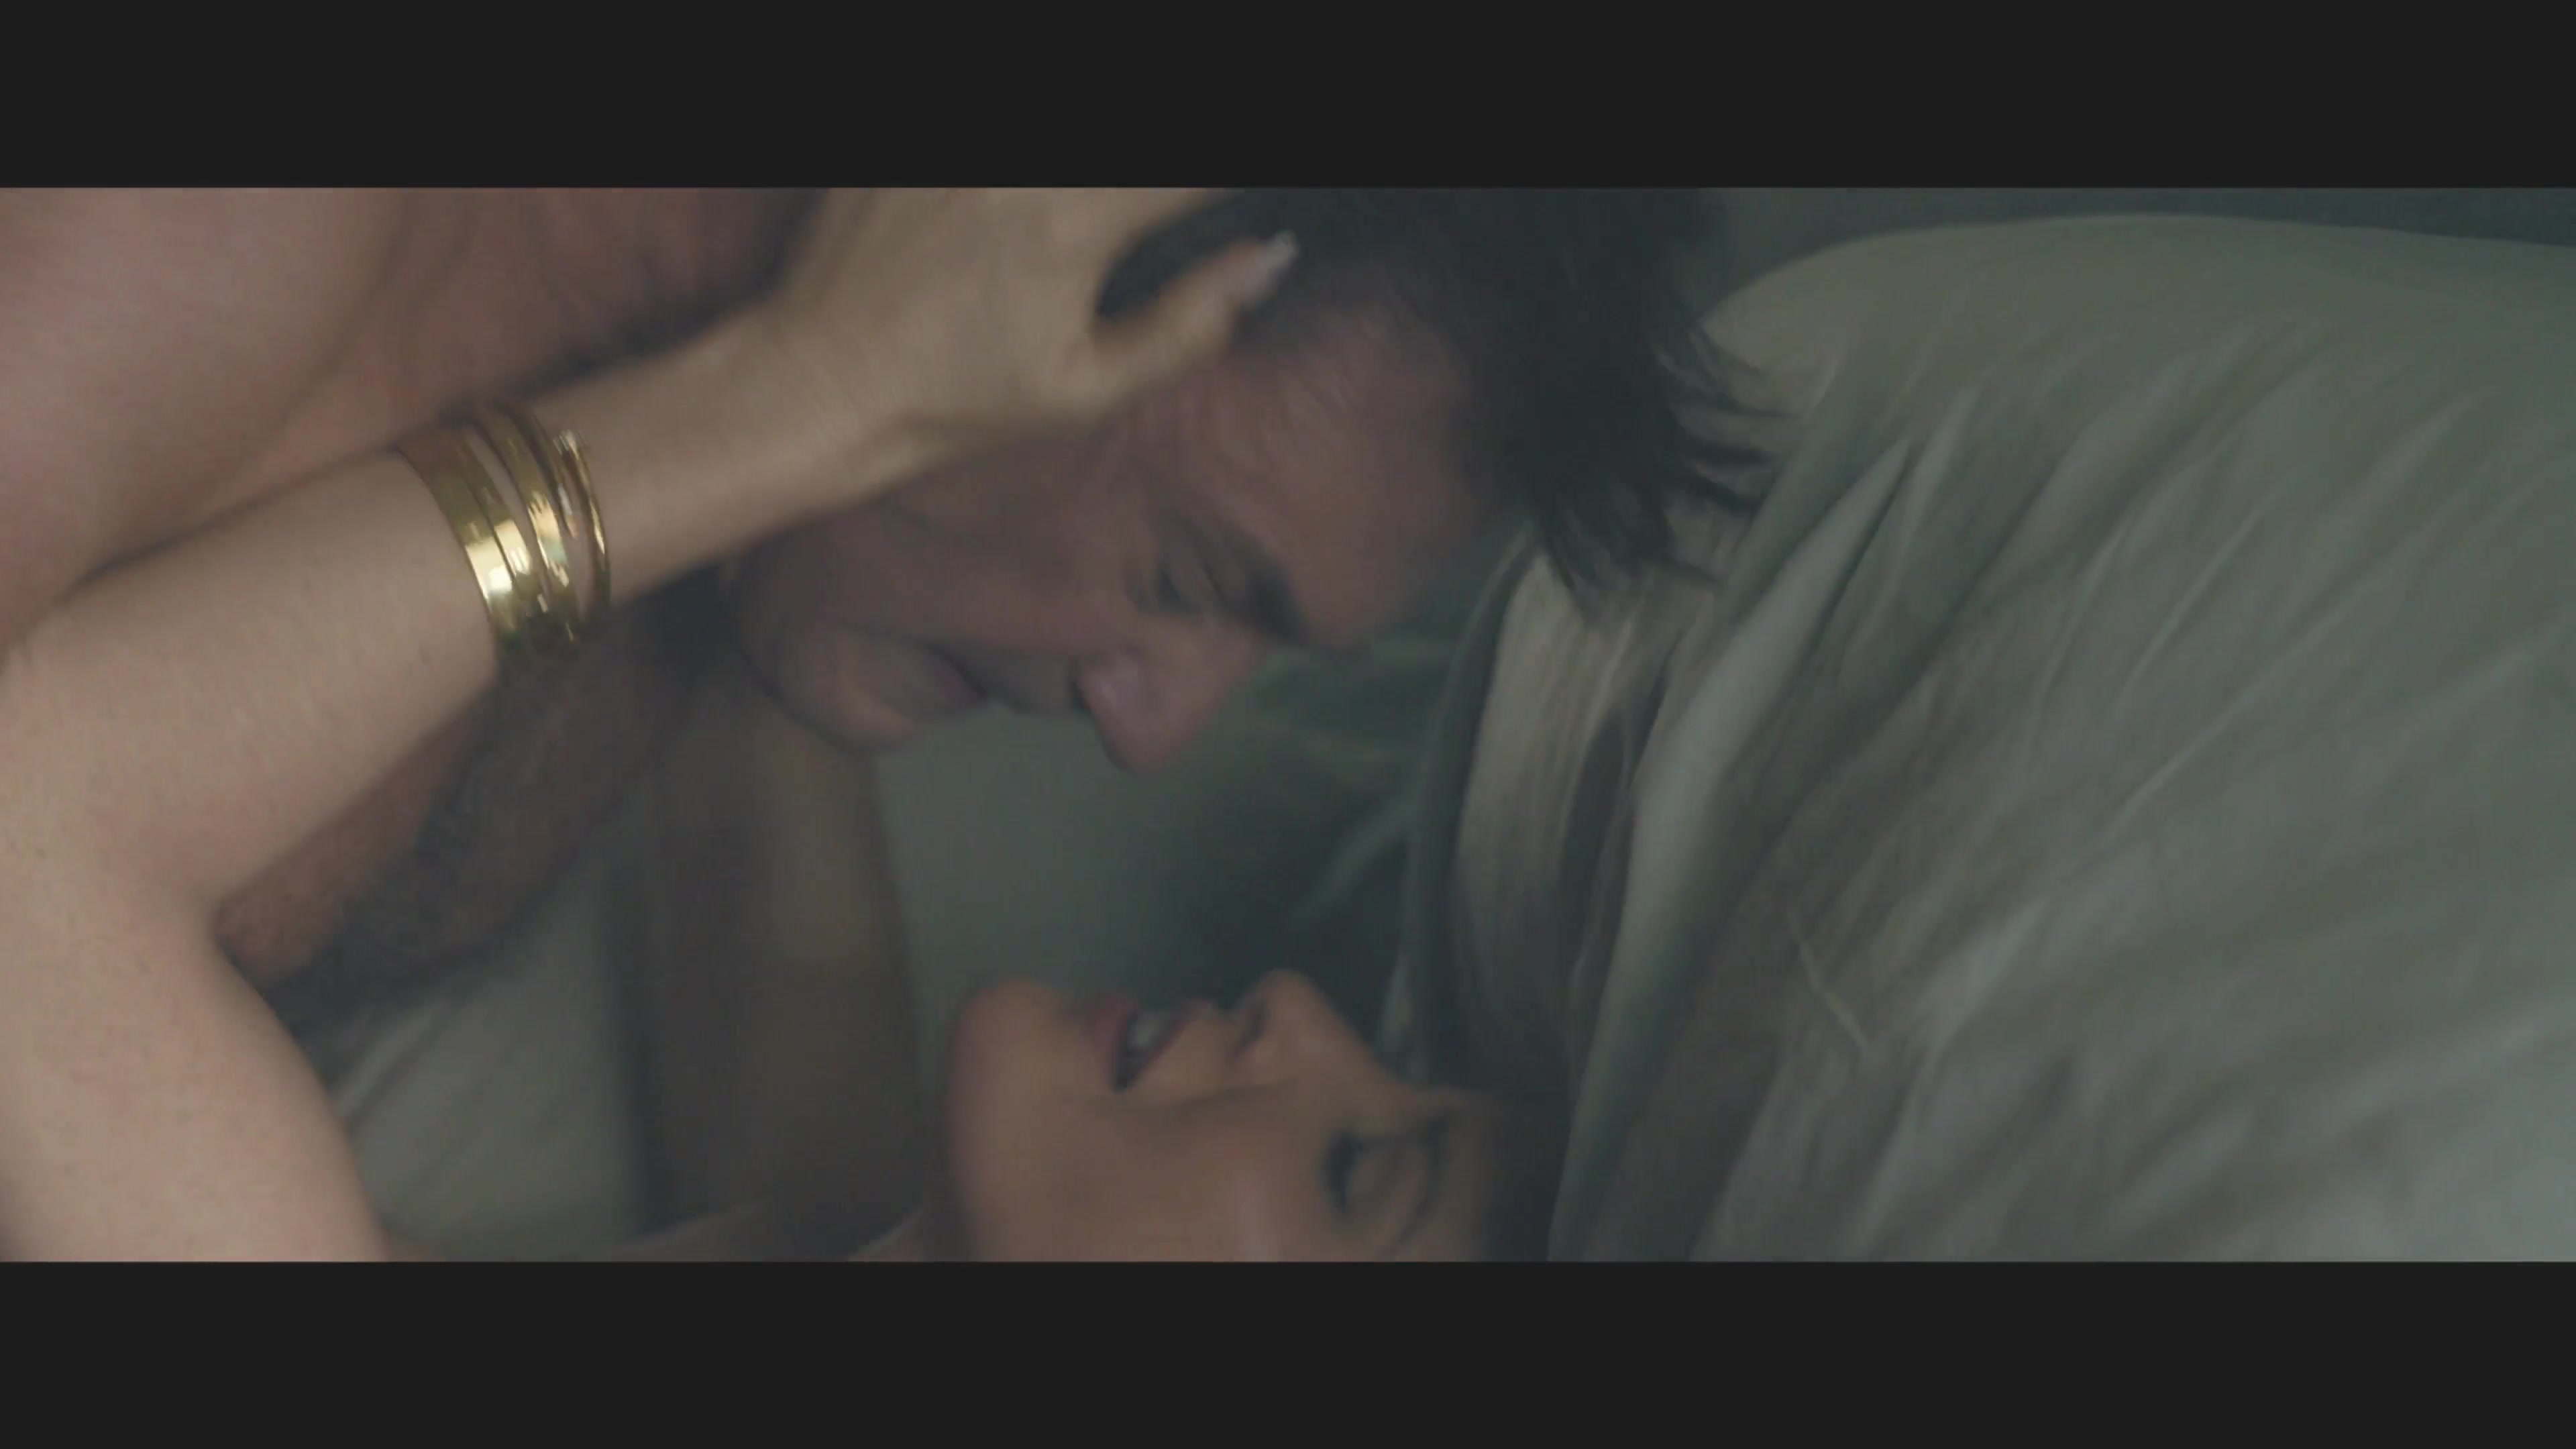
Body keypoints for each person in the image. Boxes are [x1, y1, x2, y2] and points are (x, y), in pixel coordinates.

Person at [0, 188, 1736, 1258]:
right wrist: (811, 395)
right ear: (1019, 246)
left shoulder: (724, 544)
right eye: (1189, 574)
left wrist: (801, 399)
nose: (1150, 726)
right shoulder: (187, 257)